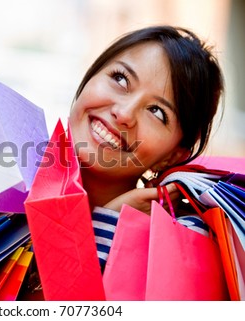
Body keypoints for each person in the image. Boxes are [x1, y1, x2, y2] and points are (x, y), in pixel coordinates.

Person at [68, 25, 224, 270]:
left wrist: (107, 228)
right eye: (120, 78)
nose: (123, 113)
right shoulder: (5, 187)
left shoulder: (183, 244)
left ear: (173, 156)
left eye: (157, 112)